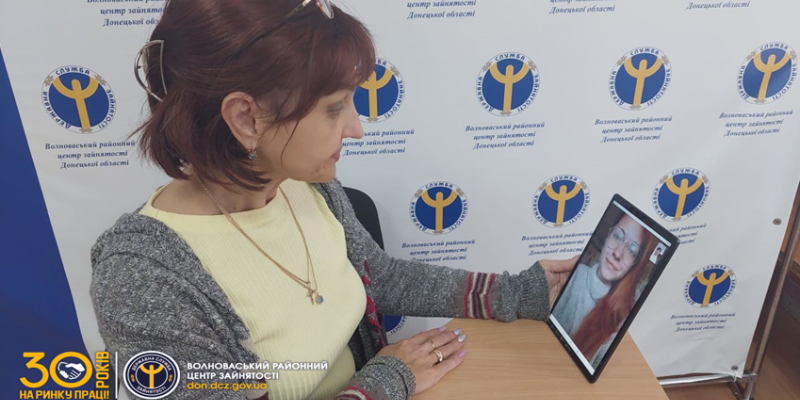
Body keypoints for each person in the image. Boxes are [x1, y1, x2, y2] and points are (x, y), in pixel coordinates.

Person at [89, 1, 577, 399]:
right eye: (334, 107)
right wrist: (384, 384)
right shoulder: (141, 279)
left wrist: (520, 292)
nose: (357, 128)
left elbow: (380, 278)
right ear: (246, 119)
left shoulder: (304, 186)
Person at [552, 213, 656, 367]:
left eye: (632, 250)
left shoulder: (618, 319)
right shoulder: (568, 277)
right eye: (617, 236)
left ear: (635, 265)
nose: (618, 253)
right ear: (608, 236)